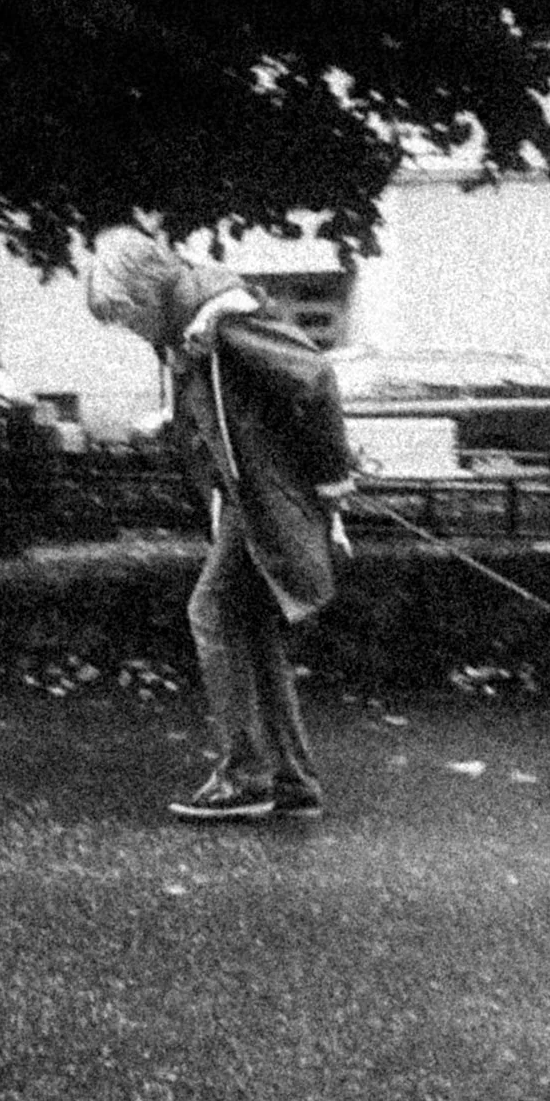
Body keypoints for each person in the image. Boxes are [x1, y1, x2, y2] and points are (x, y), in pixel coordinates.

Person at [84, 226, 355, 822]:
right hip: (250, 497)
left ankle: (246, 776)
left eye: (128, 315)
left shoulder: (223, 322)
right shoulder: (192, 329)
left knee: (210, 613)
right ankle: (290, 779)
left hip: (263, 497)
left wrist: (333, 476)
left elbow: (314, 376)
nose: (131, 329)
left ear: (148, 291)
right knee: (252, 629)